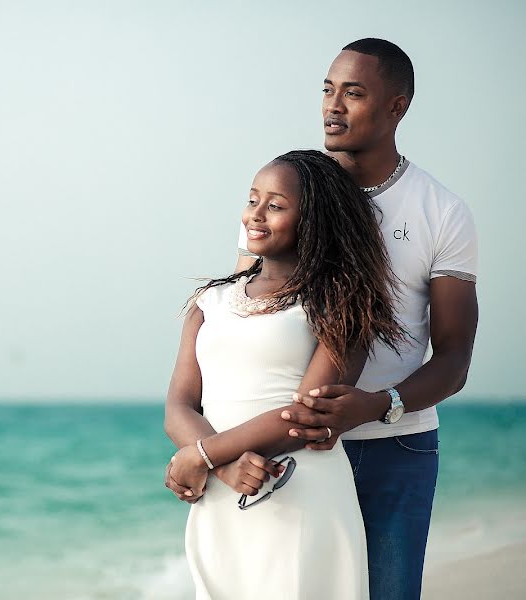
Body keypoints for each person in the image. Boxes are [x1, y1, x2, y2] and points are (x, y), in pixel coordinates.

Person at [231, 39, 479, 599]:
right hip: (290, 443)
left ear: (397, 106)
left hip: (396, 449)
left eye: (353, 93)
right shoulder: (283, 194)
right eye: (327, 89)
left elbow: (456, 355)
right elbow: (239, 320)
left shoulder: (441, 212)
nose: (333, 106)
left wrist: (379, 404)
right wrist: (228, 448)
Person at [165, 149, 408, 599]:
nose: (256, 215)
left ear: (312, 220)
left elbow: (308, 415)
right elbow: (179, 405)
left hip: (298, 491)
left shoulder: (340, 301)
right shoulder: (210, 302)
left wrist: (199, 457)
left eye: (275, 205)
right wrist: (220, 466)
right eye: (253, 199)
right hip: (224, 495)